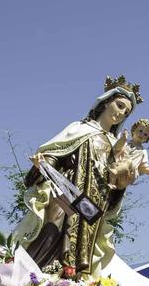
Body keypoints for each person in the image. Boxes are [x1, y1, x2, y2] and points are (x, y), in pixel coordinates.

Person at [16, 78, 140, 274]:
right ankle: (28, 279)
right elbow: (56, 152)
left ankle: (68, 284)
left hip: (92, 204)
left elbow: (113, 185)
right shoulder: (80, 129)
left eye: (126, 112)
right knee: (51, 230)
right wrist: (45, 163)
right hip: (66, 191)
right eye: (119, 105)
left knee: (84, 253)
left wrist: (121, 186)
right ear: (106, 101)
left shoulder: (116, 145)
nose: (121, 113)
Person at [112, 117, 149, 181]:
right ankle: (113, 179)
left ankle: (115, 172)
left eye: (145, 134)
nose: (142, 135)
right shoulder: (125, 143)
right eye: (140, 131)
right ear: (134, 130)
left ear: (148, 138)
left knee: (128, 163)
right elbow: (116, 149)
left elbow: (143, 167)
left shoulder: (143, 151)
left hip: (129, 174)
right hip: (117, 165)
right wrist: (123, 139)